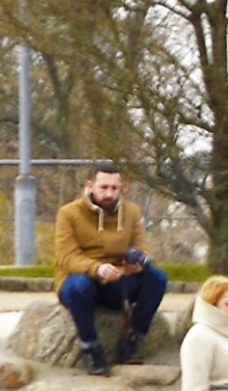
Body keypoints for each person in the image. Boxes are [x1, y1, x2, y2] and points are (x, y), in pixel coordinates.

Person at [53, 160, 169, 376]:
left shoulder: (131, 212)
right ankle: (91, 347)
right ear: (90, 186)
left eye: (114, 188)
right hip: (81, 279)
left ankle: (133, 339)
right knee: (80, 285)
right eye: (104, 187)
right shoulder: (68, 213)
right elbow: (66, 256)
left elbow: (143, 245)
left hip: (117, 279)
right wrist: (97, 268)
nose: (109, 194)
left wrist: (139, 261)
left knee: (157, 278)